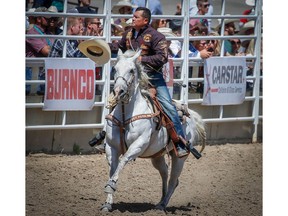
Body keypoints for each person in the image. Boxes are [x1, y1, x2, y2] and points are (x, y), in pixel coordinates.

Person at [89, 7, 201, 158]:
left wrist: (142, 59)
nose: (133, 18)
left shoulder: (156, 36)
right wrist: (103, 46)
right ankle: (107, 135)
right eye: (133, 16)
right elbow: (119, 47)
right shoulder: (129, 34)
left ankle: (179, 141)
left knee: (168, 106)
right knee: (114, 100)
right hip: (133, 79)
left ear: (145, 20)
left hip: (153, 79)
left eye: (136, 17)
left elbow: (162, 57)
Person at [26, 7, 53, 95]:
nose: (50, 20)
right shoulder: (32, 33)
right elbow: (47, 51)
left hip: (43, 72)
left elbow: (51, 49)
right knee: (32, 99)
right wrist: (52, 48)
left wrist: (51, 48)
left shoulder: (48, 33)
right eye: (46, 18)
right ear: (38, 19)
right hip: (33, 73)